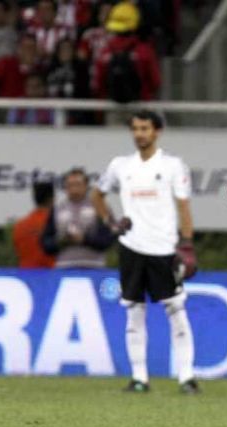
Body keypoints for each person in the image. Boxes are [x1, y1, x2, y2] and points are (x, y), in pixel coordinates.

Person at [91, 110, 200, 394]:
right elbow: (97, 194)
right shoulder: (120, 165)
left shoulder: (173, 165)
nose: (139, 134)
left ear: (157, 131)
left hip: (164, 248)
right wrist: (111, 222)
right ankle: (140, 378)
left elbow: (183, 206)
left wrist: (187, 243)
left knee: (176, 310)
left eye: (145, 128)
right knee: (134, 312)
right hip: (131, 247)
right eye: (136, 129)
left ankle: (186, 377)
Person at [41, 168, 115, 268]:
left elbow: (108, 238)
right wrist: (63, 241)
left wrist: (84, 239)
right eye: (70, 185)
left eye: (78, 184)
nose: (74, 189)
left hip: (94, 266)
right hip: (65, 265)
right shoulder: (58, 207)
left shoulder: (100, 206)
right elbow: (46, 242)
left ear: (86, 186)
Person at [13, 181, 56, 268]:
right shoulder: (56, 224)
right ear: (52, 199)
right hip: (51, 273)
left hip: (26, 273)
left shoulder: (19, 226)